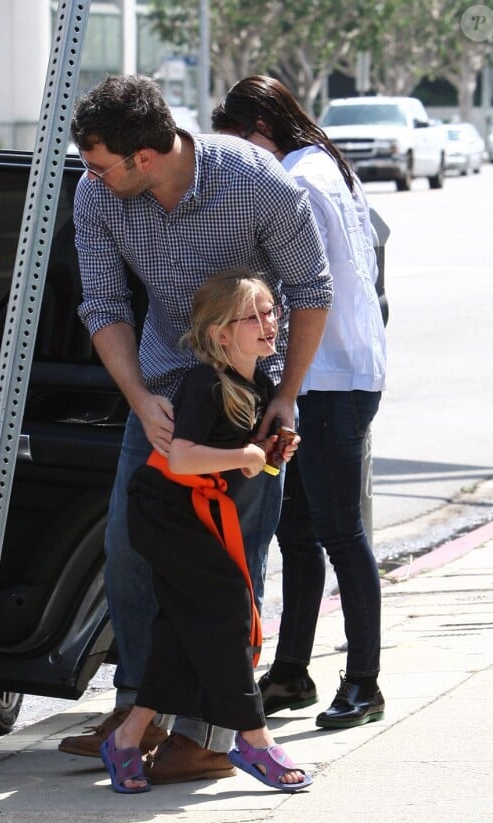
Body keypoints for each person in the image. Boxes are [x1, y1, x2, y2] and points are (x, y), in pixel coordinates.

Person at [58, 74, 332, 782]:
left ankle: (208, 735)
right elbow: (104, 303)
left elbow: (311, 290)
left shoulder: (254, 179)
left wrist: (286, 398)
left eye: (99, 163)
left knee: (229, 570)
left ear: (144, 156)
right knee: (131, 553)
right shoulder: (99, 197)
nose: (88, 176)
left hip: (245, 404)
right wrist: (140, 401)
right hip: (160, 402)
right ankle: (135, 714)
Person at [211, 76, 387, 729]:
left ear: (259, 128)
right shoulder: (322, 165)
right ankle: (291, 671)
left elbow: (295, 286)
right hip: (334, 371)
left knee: (340, 532)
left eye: (237, 144)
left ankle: (364, 683)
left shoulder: (299, 180)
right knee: (300, 529)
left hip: (330, 378)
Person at [100, 270, 311, 794]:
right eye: (254, 316)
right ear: (221, 334)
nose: (269, 323)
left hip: (192, 513)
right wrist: (246, 453)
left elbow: (241, 467)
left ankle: (127, 737)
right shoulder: (203, 383)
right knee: (228, 606)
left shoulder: (258, 386)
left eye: (271, 311)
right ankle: (253, 737)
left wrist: (268, 459)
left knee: (181, 625)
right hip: (162, 511)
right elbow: (183, 455)